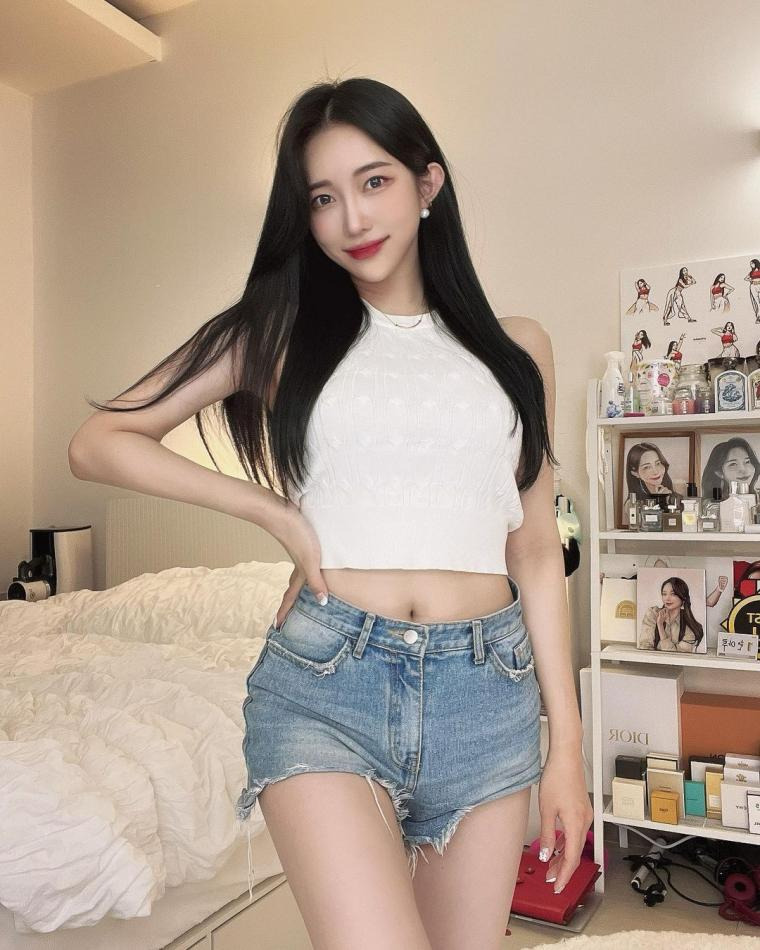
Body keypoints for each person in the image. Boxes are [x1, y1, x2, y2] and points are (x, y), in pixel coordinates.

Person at [67, 77, 591, 950]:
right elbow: (100, 441)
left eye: (374, 181)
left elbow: (535, 552)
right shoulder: (279, 332)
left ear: (427, 184)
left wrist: (565, 749)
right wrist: (275, 514)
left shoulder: (518, 348)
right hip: (327, 686)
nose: (352, 217)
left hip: (487, 696)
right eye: (322, 197)